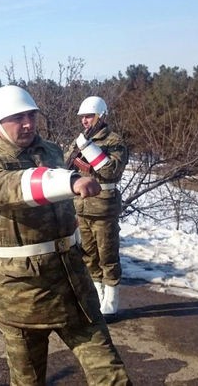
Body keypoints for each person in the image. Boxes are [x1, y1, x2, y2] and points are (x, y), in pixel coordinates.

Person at [0, 85, 131, 385]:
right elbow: (4, 187)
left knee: (111, 374)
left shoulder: (50, 150)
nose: (28, 124)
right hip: (20, 293)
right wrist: (70, 179)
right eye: (18, 118)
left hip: (72, 283)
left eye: (31, 115)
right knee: (28, 380)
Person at [64, 96, 129, 322]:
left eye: (89, 116)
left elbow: (111, 171)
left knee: (107, 255)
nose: (85, 121)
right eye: (82, 117)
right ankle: (97, 297)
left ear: (101, 116)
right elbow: (66, 163)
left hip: (103, 206)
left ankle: (110, 303)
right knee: (89, 255)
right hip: (81, 207)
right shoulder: (80, 140)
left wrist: (87, 148)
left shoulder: (114, 141)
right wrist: (79, 149)